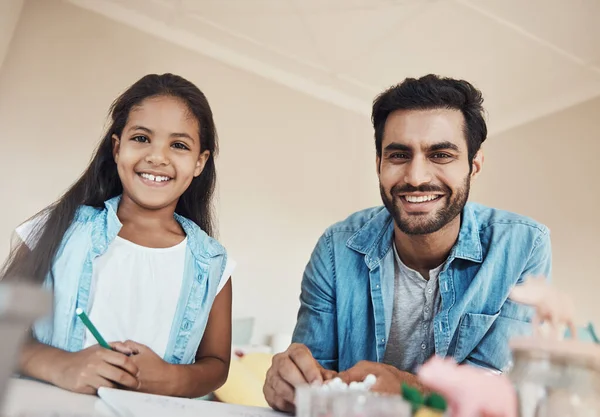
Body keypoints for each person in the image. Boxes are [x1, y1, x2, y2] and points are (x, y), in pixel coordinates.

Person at [263, 74, 551, 412]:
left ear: (474, 166)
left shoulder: (523, 245)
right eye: (399, 155)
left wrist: (407, 387)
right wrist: (291, 383)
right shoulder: (335, 248)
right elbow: (314, 381)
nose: (416, 177)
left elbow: (500, 393)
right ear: (379, 165)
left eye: (441, 155)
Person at [1, 73, 234, 398]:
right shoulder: (55, 229)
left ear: (200, 162)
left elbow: (217, 364)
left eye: (179, 145)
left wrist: (169, 378)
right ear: (116, 146)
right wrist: (59, 364)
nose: (157, 156)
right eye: (141, 138)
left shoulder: (213, 264)